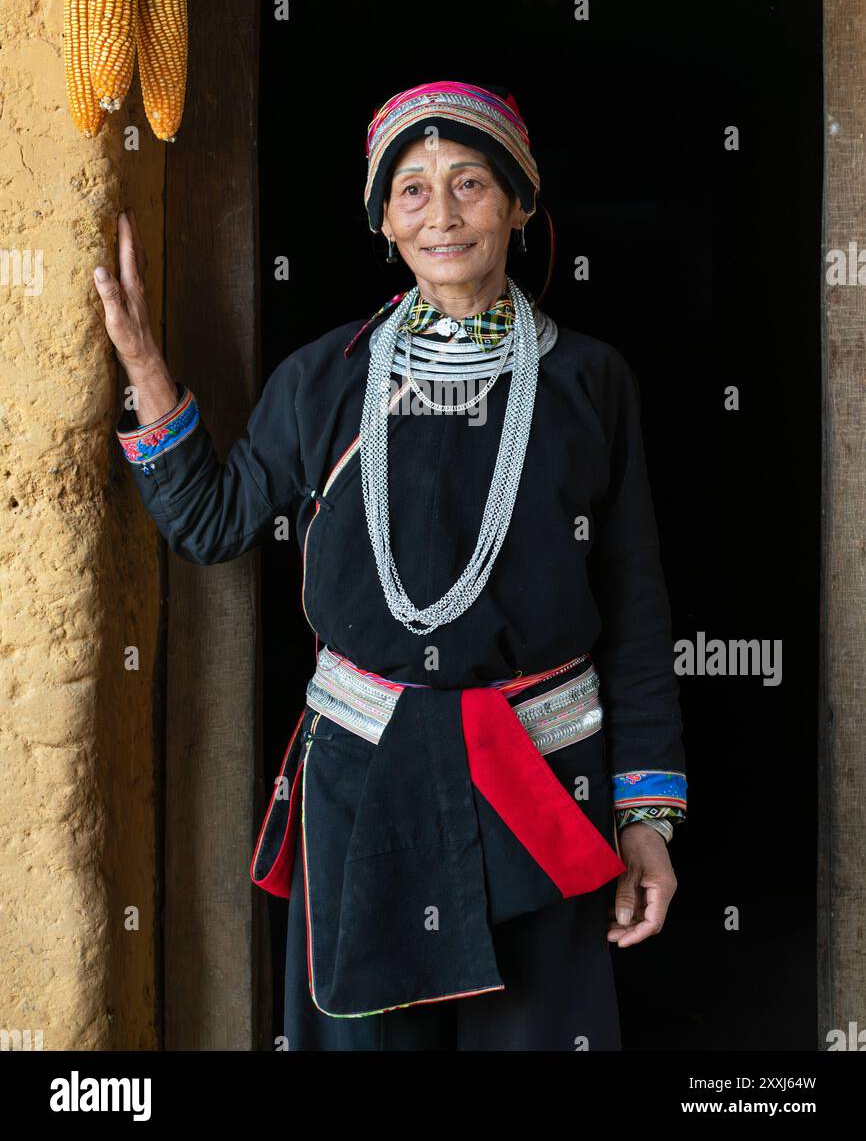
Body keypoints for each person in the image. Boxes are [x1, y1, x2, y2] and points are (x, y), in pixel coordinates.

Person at [94, 79, 687, 1052]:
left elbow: (632, 609)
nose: (442, 213)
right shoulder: (324, 375)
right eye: (410, 190)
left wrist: (645, 817)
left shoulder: (589, 381)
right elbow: (211, 521)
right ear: (382, 222)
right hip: (363, 780)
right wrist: (141, 358)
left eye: (470, 183)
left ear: (521, 203)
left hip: (541, 780)